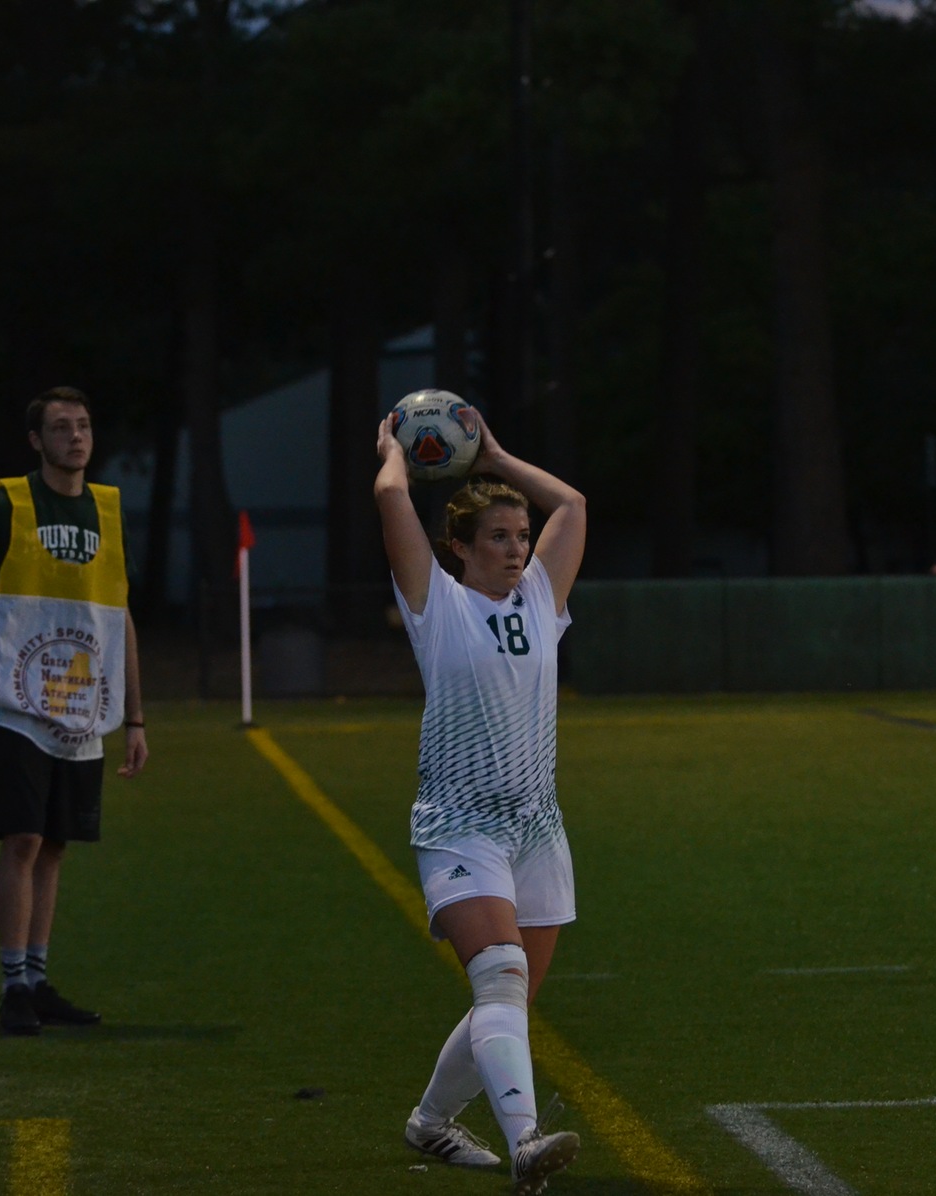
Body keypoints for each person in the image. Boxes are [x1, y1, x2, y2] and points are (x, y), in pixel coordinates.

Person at [374, 405, 585, 1195]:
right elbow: (391, 500)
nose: (516, 548)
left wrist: (494, 452)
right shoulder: (440, 607)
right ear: (457, 548)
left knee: (513, 1000)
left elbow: (574, 507)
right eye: (497, 537)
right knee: (497, 979)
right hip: (458, 824)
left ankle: (429, 1123)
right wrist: (391, 452)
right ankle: (526, 1141)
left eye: (520, 536)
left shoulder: (538, 600)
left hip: (536, 826)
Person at [0, 387, 148, 1036]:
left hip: (80, 705)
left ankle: (38, 981)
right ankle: (13, 985)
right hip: (16, 699)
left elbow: (118, 615)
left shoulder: (107, 509)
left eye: (84, 425)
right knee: (23, 838)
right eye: (61, 427)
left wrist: (136, 719)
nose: (76, 436)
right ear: (36, 441)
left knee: (56, 846)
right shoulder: (6, 502)